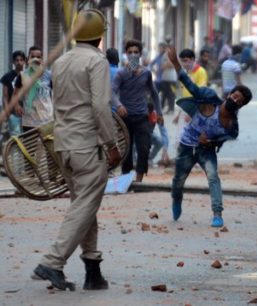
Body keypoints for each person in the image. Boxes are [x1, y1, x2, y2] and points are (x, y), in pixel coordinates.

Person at [32, 9, 121, 291]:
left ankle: (92, 270)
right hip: (86, 145)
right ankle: (52, 261)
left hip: (61, 144)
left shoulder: (61, 61)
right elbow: (99, 107)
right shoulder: (96, 61)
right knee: (84, 205)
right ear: (99, 36)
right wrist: (112, 145)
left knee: (85, 205)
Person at [167, 45, 252, 228]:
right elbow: (191, 86)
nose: (235, 100)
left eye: (239, 101)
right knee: (178, 181)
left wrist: (211, 141)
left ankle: (217, 213)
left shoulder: (231, 126)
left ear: (241, 106)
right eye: (235, 96)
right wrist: (175, 63)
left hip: (206, 150)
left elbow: (228, 137)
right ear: (229, 94)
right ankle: (176, 200)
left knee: (213, 177)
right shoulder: (209, 98)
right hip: (187, 145)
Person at [112, 39, 163, 182]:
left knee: (144, 148)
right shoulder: (121, 74)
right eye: (130, 52)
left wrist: (159, 113)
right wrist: (119, 105)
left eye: (136, 52)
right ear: (126, 54)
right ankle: (125, 177)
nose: (133, 55)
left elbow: (154, 93)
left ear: (140, 54)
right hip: (125, 118)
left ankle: (139, 178)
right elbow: (112, 91)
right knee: (126, 151)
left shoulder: (146, 73)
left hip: (142, 116)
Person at [173, 49, 208, 146]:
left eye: (186, 61)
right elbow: (184, 94)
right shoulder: (185, 73)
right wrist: (179, 114)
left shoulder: (201, 72)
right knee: (180, 139)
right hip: (185, 109)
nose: (184, 64)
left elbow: (201, 94)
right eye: (182, 61)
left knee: (193, 139)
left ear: (193, 59)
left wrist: (192, 112)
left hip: (195, 110)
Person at [13, 46, 53, 132]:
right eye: (33, 57)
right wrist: (16, 105)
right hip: (30, 122)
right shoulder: (22, 75)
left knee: (47, 145)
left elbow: (57, 94)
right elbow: (15, 94)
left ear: (42, 59)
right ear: (28, 58)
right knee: (29, 145)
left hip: (47, 120)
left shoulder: (49, 75)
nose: (35, 59)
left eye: (38, 57)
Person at [0, 50, 26, 140]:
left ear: (24, 61)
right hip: (13, 114)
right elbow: (5, 96)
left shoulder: (28, 75)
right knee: (15, 139)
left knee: (27, 139)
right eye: (17, 60)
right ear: (13, 62)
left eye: (21, 60)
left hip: (27, 114)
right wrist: (7, 113)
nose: (19, 62)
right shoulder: (7, 77)